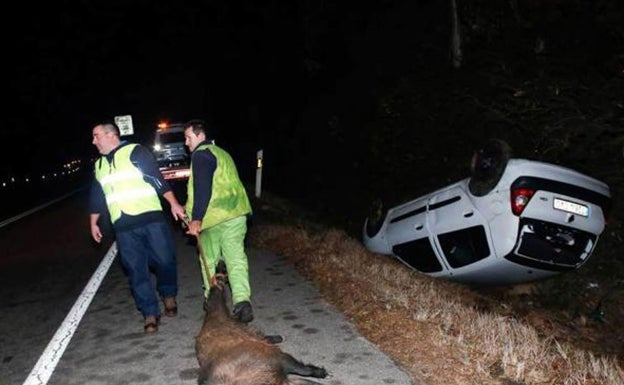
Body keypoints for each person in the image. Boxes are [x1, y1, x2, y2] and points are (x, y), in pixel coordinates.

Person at [89, 120, 187, 333]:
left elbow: (156, 179)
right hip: (123, 226)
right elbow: (98, 195)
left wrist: (173, 203)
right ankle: (150, 312)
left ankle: (168, 293)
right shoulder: (99, 165)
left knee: (165, 259)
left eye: (96, 135)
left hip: (151, 218)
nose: (93, 140)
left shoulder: (136, 152)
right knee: (135, 270)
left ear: (111, 135)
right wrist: (93, 221)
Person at [183, 119, 254, 323]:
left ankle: (212, 303)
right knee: (235, 257)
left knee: (209, 260)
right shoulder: (222, 153)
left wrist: (195, 219)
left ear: (200, 135)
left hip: (213, 217)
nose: (186, 143)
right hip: (236, 213)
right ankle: (242, 303)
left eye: (188, 138)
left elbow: (201, 190)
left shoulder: (201, 155)